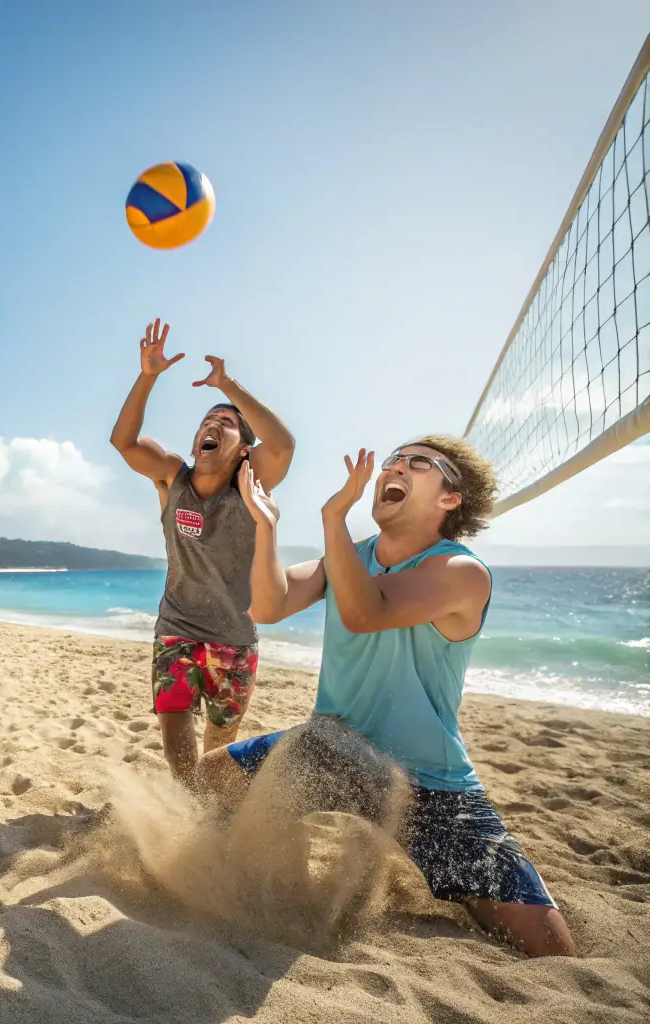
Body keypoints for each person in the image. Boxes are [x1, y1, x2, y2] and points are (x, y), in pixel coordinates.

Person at [200, 437, 574, 957]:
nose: (393, 467)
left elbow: (365, 611)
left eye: (416, 463)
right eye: (393, 459)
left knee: (550, 948)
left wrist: (334, 518)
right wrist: (268, 527)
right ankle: (288, 883)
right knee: (210, 778)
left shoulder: (462, 572)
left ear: (450, 498)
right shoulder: (348, 559)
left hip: (429, 783)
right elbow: (268, 605)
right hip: (332, 754)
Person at [109, 317, 296, 780]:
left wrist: (229, 385)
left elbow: (284, 444)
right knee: (177, 746)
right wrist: (148, 376)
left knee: (217, 747)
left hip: (236, 641)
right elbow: (124, 442)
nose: (213, 423)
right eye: (208, 420)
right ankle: (186, 817)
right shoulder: (174, 476)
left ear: (242, 451)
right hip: (175, 630)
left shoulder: (251, 487)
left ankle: (207, 808)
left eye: (227, 423)